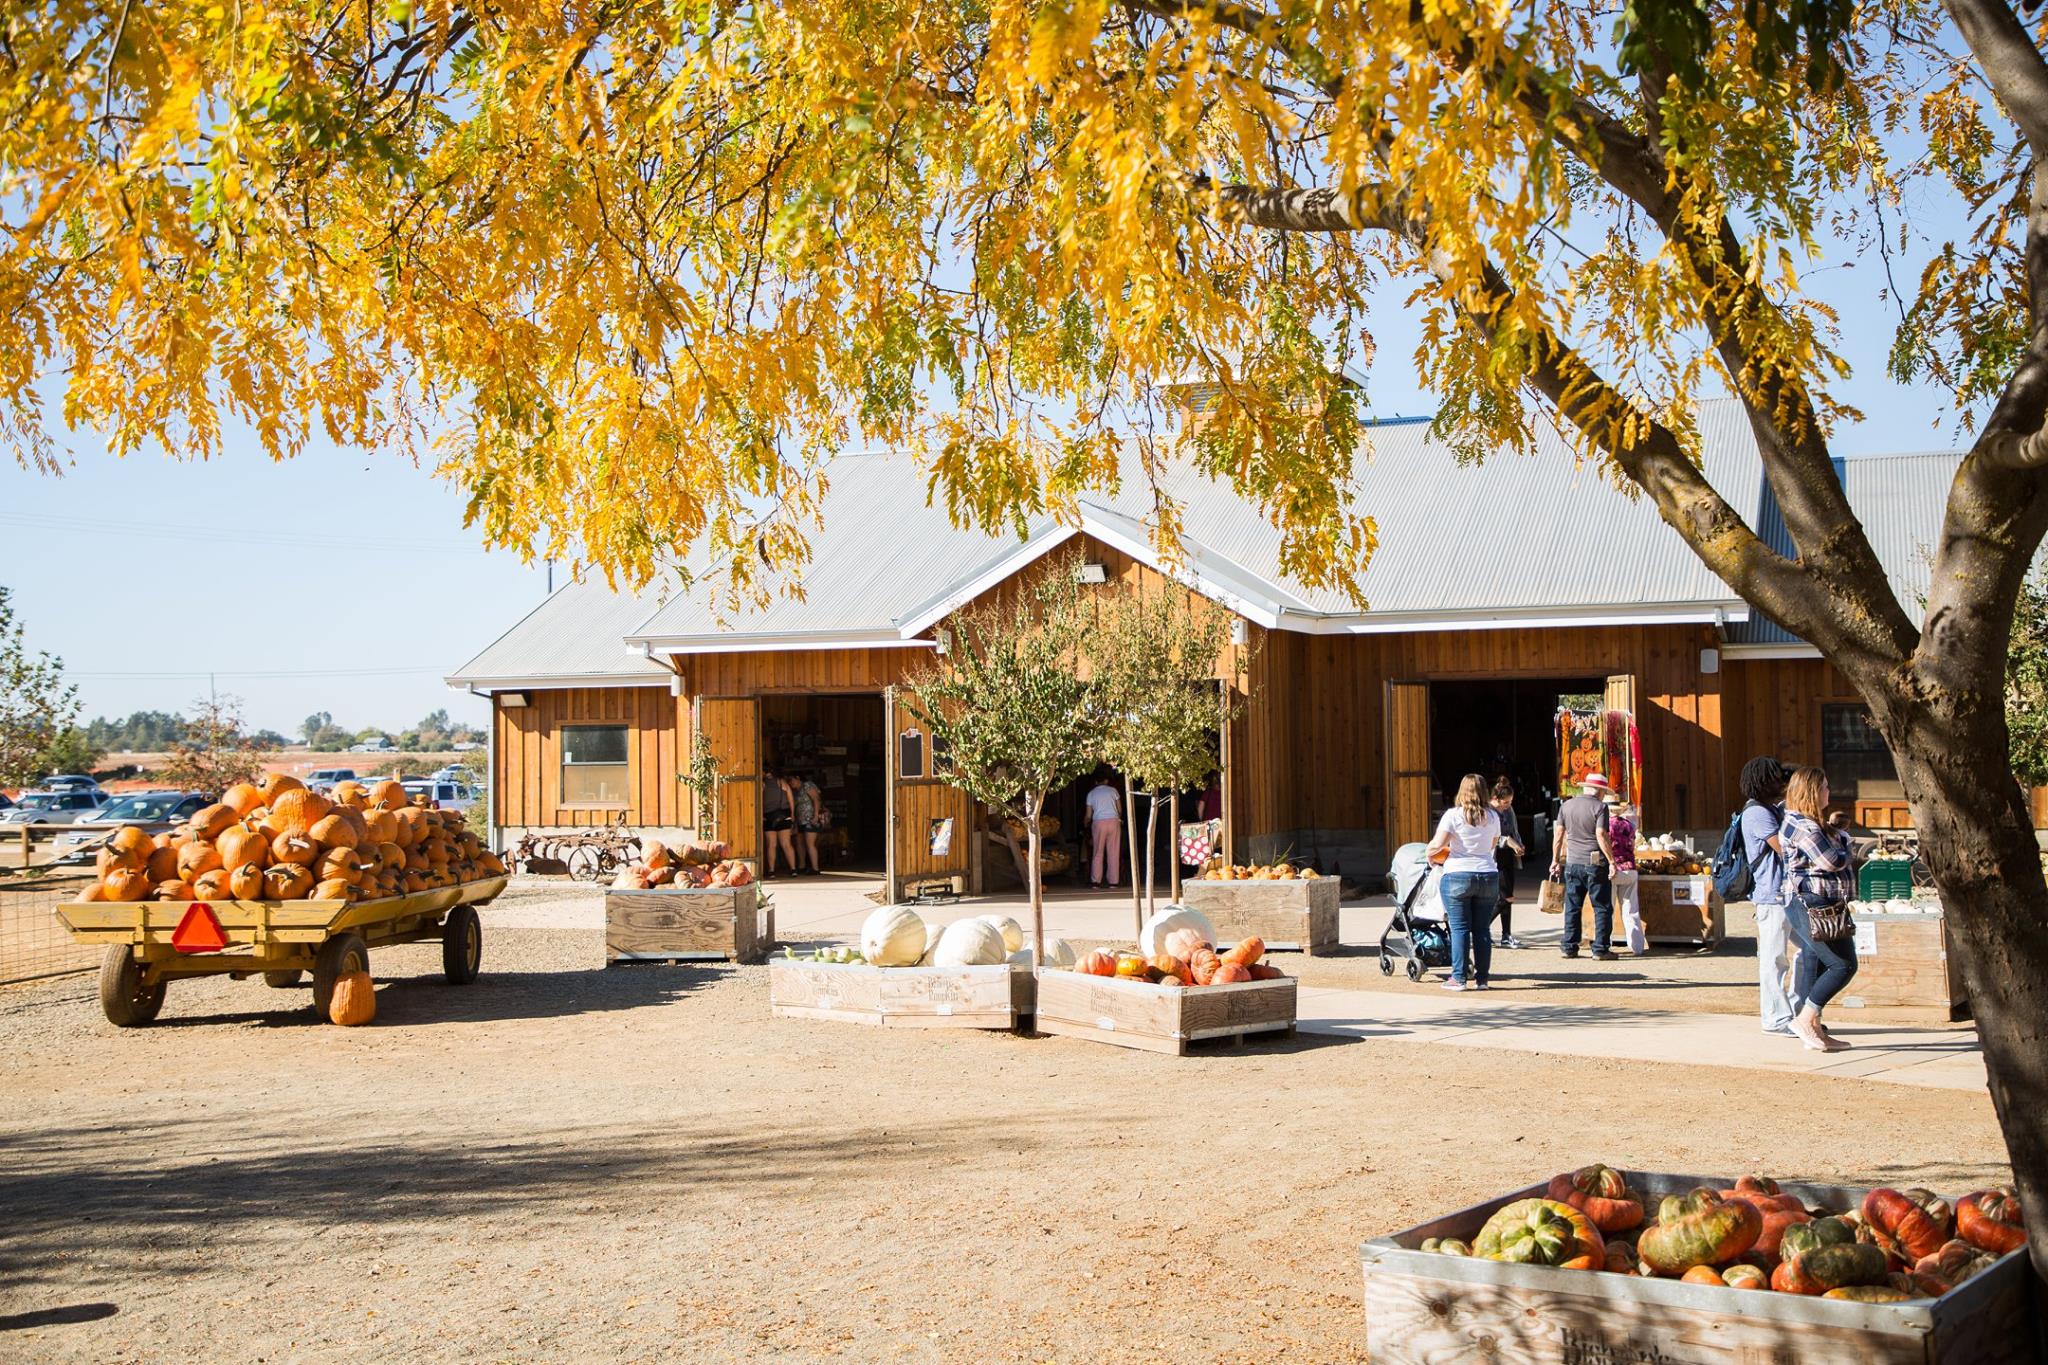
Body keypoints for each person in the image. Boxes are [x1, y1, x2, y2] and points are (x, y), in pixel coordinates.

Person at [1779, 766, 1859, 1052]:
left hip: (1814, 902)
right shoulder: (1805, 826)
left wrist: (1835, 832)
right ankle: (1805, 1018)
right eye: (1824, 786)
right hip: (1813, 902)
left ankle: (1815, 1028)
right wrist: (1848, 844)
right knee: (1843, 964)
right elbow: (1831, 861)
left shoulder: (1801, 821)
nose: (1829, 791)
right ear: (1812, 791)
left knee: (1820, 960)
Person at [1738, 756, 1804, 1037]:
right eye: (1776, 779)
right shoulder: (1758, 813)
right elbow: (1785, 848)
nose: (1781, 783)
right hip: (1771, 895)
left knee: (1810, 951)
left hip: (1785, 894)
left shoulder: (1772, 809)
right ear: (1763, 782)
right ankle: (1777, 1018)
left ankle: (1798, 1012)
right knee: (1774, 958)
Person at [1427, 773, 1501, 991]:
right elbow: (1491, 845)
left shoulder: (1453, 815)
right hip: (1487, 874)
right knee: (1482, 929)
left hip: (1458, 874)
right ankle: (1483, 979)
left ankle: (1458, 978)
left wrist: (1430, 852)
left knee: (1459, 928)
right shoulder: (1493, 816)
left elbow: (1437, 845)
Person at [1550, 772, 1616, 959]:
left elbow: (1558, 835)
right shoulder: (1600, 807)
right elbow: (1601, 835)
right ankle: (1600, 948)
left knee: (1572, 905)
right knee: (1602, 906)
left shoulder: (1566, 805)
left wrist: (1555, 860)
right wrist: (1612, 861)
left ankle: (1570, 946)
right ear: (1600, 791)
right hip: (1595, 862)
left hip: (1572, 862)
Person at [1489, 779, 1527, 949]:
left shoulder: (1508, 810)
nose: (1508, 805)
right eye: (1505, 802)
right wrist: (1508, 842)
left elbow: (1514, 830)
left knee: (1508, 896)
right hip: (1493, 856)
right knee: (1504, 897)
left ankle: (1506, 934)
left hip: (1508, 856)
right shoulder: (1488, 812)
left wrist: (1518, 844)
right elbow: (1490, 839)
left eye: (1510, 802)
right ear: (1495, 799)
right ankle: (1480, 928)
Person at [1607, 794, 1645, 955]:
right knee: (1631, 910)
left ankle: (1604, 944)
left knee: (1607, 909)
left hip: (1613, 869)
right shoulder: (1629, 825)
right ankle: (1637, 947)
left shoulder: (1605, 825)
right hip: (1630, 868)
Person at [1084, 771, 1122, 889]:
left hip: (1098, 822)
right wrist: (1118, 818)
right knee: (1113, 851)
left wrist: (1085, 824)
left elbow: (1088, 815)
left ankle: (1096, 881)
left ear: (1095, 782)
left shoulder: (1091, 794)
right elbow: (1119, 809)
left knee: (1098, 852)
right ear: (1106, 781)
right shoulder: (1113, 791)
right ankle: (1113, 882)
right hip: (1113, 821)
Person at [762, 768, 797, 877]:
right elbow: (791, 799)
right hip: (784, 815)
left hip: (768, 817)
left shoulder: (762, 784)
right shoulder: (782, 782)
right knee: (786, 844)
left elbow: (759, 800)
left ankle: (771, 871)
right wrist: (792, 814)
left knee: (771, 845)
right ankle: (793, 870)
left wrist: (761, 815)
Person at [793, 770, 827, 875]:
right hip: (800, 820)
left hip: (810, 819)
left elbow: (816, 799)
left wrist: (816, 815)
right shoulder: (796, 791)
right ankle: (802, 866)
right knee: (799, 843)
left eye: (791, 780)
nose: (790, 782)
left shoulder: (807, 785)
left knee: (810, 844)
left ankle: (815, 868)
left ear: (798, 778)